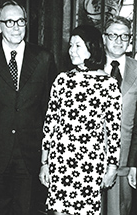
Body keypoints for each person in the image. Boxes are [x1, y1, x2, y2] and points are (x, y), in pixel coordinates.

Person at [0, 1, 57, 214]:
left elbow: (51, 110)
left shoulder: (43, 58)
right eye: (9, 22)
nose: (16, 27)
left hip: (30, 154)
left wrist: (48, 156)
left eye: (21, 21)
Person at [39, 25, 122, 215]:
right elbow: (50, 124)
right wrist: (45, 162)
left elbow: (114, 131)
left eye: (78, 45)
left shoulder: (108, 85)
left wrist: (111, 167)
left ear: (92, 48)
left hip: (90, 163)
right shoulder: (62, 80)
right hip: (60, 161)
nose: (71, 50)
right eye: (70, 45)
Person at [102, 16, 137, 215]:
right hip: (89, 159)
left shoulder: (136, 70)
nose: (118, 41)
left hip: (124, 163)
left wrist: (134, 164)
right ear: (103, 38)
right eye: (113, 35)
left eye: (124, 36)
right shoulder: (90, 69)